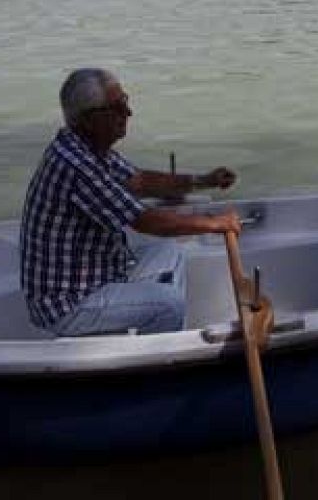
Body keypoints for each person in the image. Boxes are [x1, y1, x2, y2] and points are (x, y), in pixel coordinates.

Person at [20, 68, 241, 336]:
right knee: (169, 305)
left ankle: (146, 340)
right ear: (89, 120)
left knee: (170, 252)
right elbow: (145, 221)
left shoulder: (89, 148)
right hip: (68, 304)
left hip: (99, 276)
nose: (128, 113)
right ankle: (157, 358)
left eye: (125, 101)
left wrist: (203, 180)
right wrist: (215, 223)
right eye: (118, 107)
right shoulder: (77, 165)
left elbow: (139, 181)